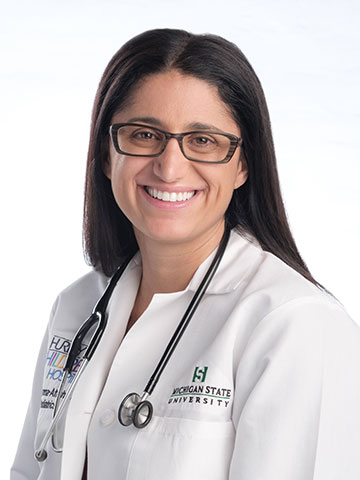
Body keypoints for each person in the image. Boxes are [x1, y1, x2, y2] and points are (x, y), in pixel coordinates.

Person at [11, 28, 360, 480]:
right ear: (105, 153)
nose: (169, 167)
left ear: (243, 164)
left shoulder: (295, 325)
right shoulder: (77, 308)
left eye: (203, 141)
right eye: (143, 134)